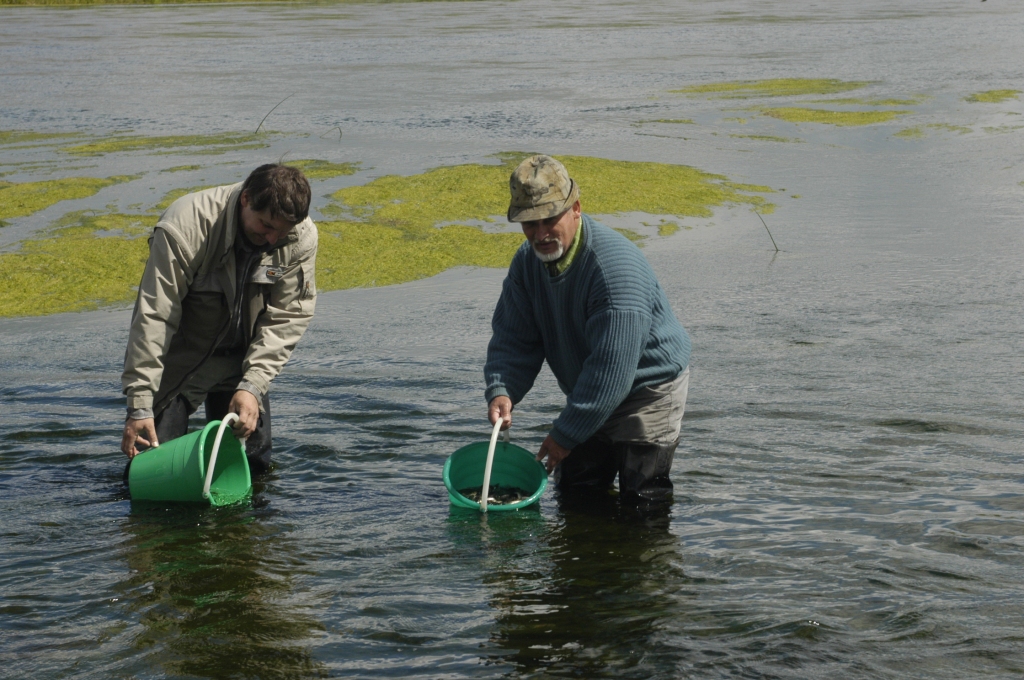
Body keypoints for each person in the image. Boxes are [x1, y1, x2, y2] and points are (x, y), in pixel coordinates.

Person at [485, 155, 691, 504]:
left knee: (642, 504)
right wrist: (502, 390)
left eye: (549, 219)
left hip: (647, 389)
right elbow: (514, 338)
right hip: (589, 383)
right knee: (576, 493)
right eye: (529, 224)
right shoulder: (526, 263)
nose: (540, 234)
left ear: (576, 208)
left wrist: (565, 434)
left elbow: (612, 371)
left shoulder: (615, 271)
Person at [120, 163, 318, 475]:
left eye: (282, 231)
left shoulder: (299, 236)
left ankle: (242, 526)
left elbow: (287, 317)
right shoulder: (184, 227)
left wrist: (252, 385)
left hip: (243, 362)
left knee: (254, 470)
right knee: (151, 467)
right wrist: (140, 402)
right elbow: (154, 316)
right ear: (246, 200)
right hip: (182, 361)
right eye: (266, 226)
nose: (272, 239)